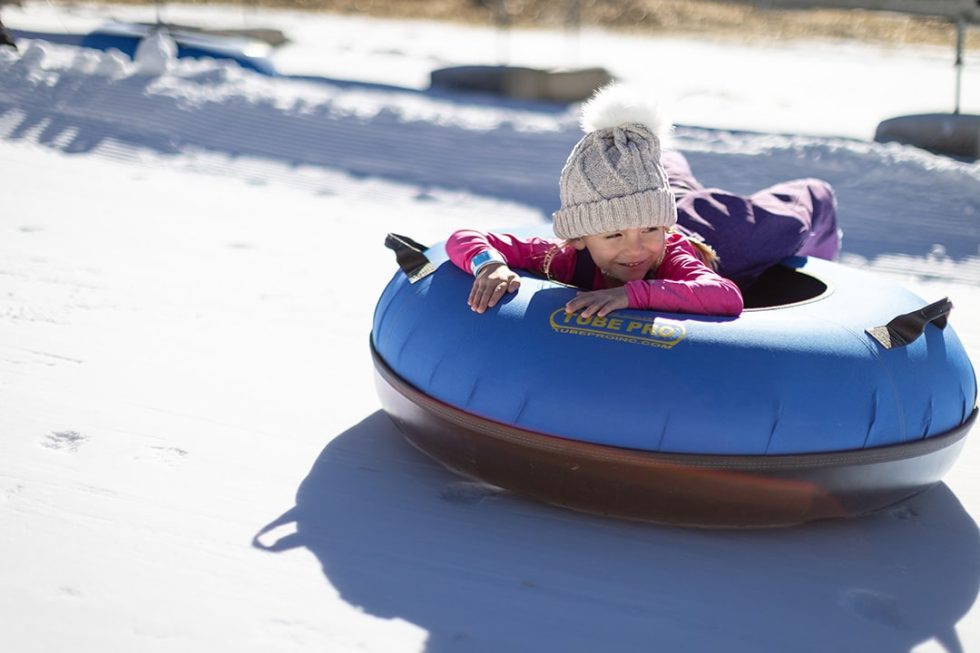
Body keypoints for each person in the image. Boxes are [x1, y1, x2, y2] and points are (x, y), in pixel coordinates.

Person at [447, 84, 744, 319]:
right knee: (669, 185)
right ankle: (666, 167)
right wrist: (488, 265)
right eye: (614, 234)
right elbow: (464, 238)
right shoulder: (564, 258)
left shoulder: (671, 254)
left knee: (767, 219)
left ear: (665, 227)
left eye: (651, 230)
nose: (636, 248)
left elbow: (725, 295)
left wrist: (631, 294)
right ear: (579, 238)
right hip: (651, 199)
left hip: (708, 225)